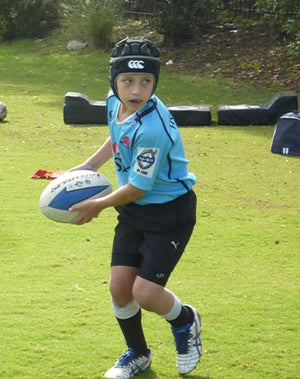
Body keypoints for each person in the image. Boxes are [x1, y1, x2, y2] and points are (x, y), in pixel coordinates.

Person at [69, 37, 202, 379]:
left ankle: (185, 321)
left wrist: (96, 205)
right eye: (128, 80)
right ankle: (138, 354)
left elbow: (138, 187)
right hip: (134, 211)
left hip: (169, 213)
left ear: (155, 83)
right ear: (114, 81)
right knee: (118, 287)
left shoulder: (153, 128)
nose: (136, 90)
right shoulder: (115, 103)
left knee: (144, 293)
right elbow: (115, 137)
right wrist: (88, 167)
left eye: (146, 82)